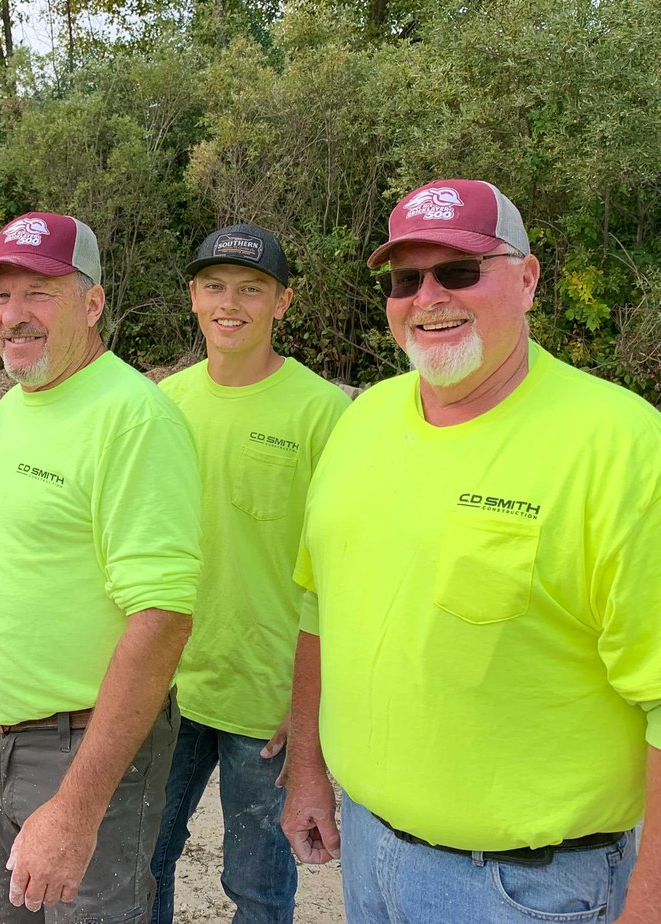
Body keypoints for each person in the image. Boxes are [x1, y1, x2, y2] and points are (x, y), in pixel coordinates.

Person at [282, 179, 661, 923]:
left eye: (458, 271)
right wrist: (307, 771)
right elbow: (318, 604)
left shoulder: (622, 446)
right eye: (404, 279)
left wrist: (649, 900)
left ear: (526, 279)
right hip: (367, 850)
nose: (428, 296)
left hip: (526, 889)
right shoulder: (361, 423)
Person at [0, 211, 203, 922]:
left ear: (91, 305)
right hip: (8, 738)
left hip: (83, 749)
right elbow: (9, 562)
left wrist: (75, 810)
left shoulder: (132, 419)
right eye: (1, 295)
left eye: (40, 292)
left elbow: (162, 619)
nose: (13, 314)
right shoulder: (15, 404)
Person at [151, 225, 350, 924]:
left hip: (266, 704)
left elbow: (338, 577)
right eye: (213, 286)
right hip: (167, 685)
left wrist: (310, 715)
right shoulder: (164, 404)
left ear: (283, 302)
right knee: (144, 863)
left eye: (251, 288)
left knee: (259, 889)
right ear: (193, 298)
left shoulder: (323, 411)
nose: (229, 303)